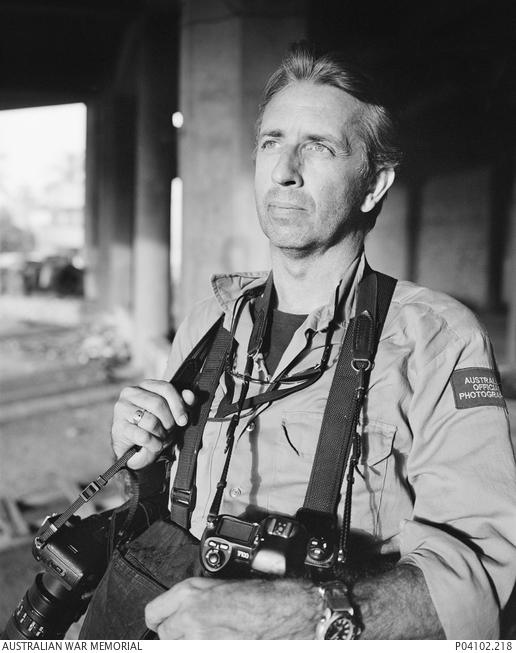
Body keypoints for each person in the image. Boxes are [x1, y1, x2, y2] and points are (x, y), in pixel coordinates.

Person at [80, 44, 516, 640]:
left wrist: (302, 615)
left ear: (373, 184)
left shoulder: (437, 338)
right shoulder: (211, 318)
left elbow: (477, 579)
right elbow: (170, 502)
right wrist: (145, 453)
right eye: (271, 142)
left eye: (318, 146)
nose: (285, 169)